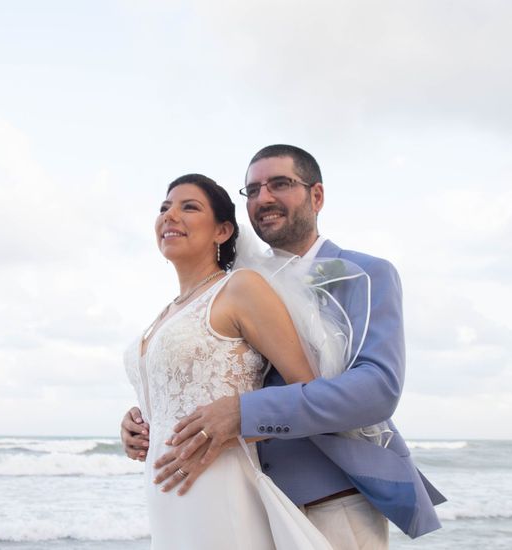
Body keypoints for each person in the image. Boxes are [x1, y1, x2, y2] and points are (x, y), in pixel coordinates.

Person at [122, 145, 445, 549]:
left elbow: (376, 389)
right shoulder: (231, 284)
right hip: (241, 500)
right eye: (253, 190)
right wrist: (150, 420)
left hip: (331, 500)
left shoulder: (363, 274)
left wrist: (246, 414)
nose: (264, 198)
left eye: (280, 184)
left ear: (317, 196)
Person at [125, 173, 334, 549]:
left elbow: (309, 390)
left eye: (189, 207)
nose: (170, 215)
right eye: (164, 207)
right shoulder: (164, 315)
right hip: (166, 498)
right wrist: (137, 424)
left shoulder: (240, 288)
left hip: (221, 487)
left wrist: (240, 420)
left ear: (222, 231)